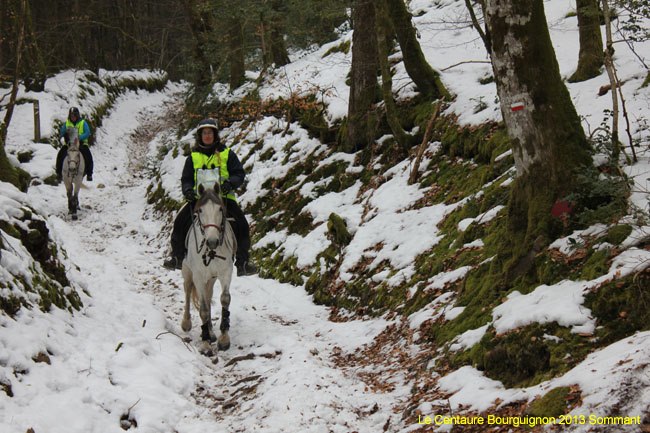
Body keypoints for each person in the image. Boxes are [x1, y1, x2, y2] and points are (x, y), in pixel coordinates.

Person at [163, 118, 258, 276]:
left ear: (215, 135)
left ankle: (243, 262)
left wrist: (231, 183)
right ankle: (177, 257)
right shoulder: (192, 158)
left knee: (242, 224)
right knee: (180, 222)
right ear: (200, 136)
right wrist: (187, 190)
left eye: (210, 133)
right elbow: (186, 179)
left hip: (224, 198)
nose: (207, 136)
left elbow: (239, 173)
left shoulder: (227, 154)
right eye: (204, 133)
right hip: (199, 200)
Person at [56, 107, 94, 181]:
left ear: (77, 115)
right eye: (71, 116)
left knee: (88, 156)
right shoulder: (67, 123)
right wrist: (63, 136)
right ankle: (59, 173)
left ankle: (89, 174)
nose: (72, 117)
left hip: (81, 143)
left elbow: (87, 132)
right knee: (61, 154)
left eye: (74, 116)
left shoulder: (83, 122)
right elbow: (62, 132)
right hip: (69, 144)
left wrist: (80, 137)